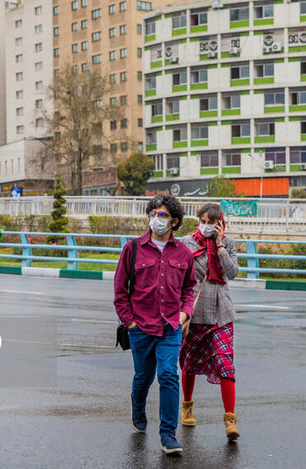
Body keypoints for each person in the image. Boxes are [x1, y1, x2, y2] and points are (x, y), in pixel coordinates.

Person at [113, 195, 197, 455]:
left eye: (162, 215)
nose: (156, 219)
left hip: (171, 326)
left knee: (169, 375)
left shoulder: (184, 253)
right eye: (153, 213)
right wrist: (131, 323)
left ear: (174, 221)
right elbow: (120, 291)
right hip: (141, 328)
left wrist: (184, 315)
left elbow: (189, 289)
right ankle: (137, 407)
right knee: (143, 377)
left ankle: (168, 435)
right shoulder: (133, 249)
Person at [178, 203, 241, 441]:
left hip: (221, 312)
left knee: (225, 363)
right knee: (190, 362)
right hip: (194, 312)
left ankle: (230, 421)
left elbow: (232, 272)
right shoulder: (186, 243)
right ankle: (187, 404)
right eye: (202, 221)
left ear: (220, 225)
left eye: (211, 222)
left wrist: (220, 245)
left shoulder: (229, 243)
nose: (206, 226)